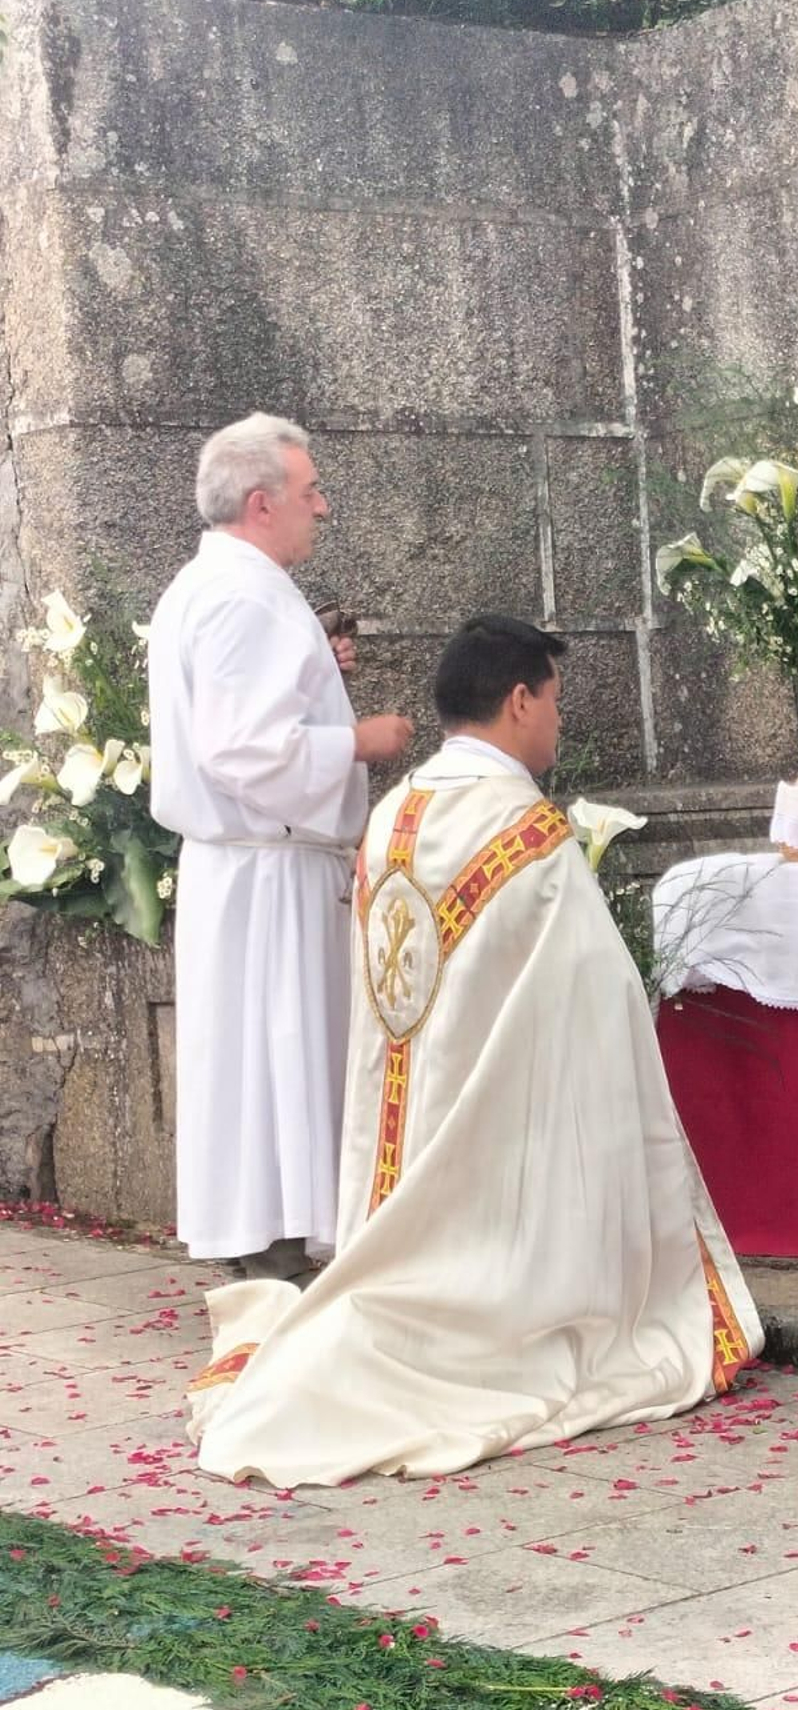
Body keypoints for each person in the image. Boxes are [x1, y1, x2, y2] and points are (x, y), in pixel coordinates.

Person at [186, 614, 762, 1486]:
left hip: (401, 1140)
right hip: (494, 1164)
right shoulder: (524, 832)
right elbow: (600, 1000)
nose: (559, 720)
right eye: (555, 700)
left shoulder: (391, 817)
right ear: (519, 699)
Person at [147, 414, 414, 1281]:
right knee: (276, 1047)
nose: (322, 507)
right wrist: (358, 740)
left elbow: (248, 716)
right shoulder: (244, 595)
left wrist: (320, 681)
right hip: (267, 867)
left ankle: (271, 1239)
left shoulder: (217, 584)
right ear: (261, 503)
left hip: (252, 863)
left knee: (257, 1052)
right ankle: (277, 1244)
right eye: (310, 491)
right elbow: (243, 749)